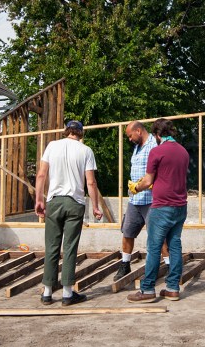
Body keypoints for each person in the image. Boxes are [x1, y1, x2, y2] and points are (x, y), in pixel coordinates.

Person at [35, 120, 103, 306]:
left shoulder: (52, 146)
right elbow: (91, 182)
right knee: (70, 247)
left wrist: (39, 199)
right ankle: (67, 294)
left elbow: (41, 174)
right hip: (75, 203)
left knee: (52, 247)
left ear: (66, 131)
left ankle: (47, 293)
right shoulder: (85, 151)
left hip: (54, 201)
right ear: (81, 133)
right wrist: (95, 206)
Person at [128, 118, 189, 302]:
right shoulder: (183, 151)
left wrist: (135, 188)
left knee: (154, 247)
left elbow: (147, 181)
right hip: (180, 206)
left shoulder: (156, 151)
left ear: (157, 134)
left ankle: (147, 290)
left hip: (162, 206)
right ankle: (172, 288)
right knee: (175, 245)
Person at [115, 121, 164, 280]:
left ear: (138, 130)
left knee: (157, 236)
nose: (129, 139)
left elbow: (160, 170)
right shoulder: (137, 147)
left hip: (151, 200)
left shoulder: (154, 145)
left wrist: (150, 184)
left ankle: (169, 267)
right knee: (127, 232)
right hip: (135, 200)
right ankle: (125, 264)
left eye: (130, 135)